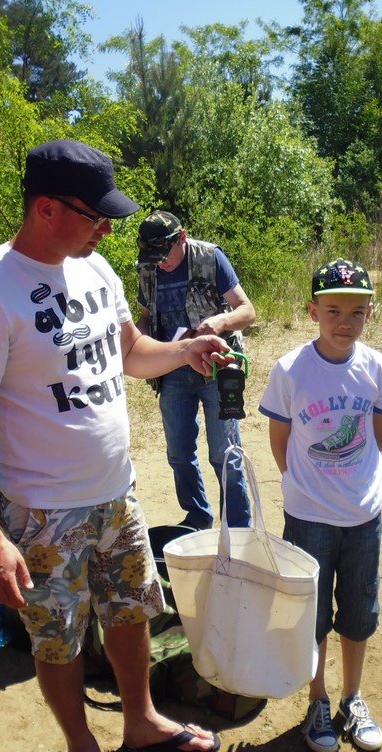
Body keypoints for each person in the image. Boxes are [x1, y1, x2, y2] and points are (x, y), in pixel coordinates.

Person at [0, 140, 224, 752]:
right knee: (58, 639)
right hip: (41, 511)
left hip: (116, 492)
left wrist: (184, 350)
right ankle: (80, 742)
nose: (107, 230)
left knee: (130, 611)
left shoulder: (95, 268)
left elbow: (130, 353)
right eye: (95, 216)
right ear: (46, 208)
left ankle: (141, 723)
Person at [258, 259, 382, 752]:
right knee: (313, 615)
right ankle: (317, 700)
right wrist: (305, 486)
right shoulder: (290, 370)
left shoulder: (378, 368)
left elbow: (377, 438)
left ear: (370, 314)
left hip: (363, 515)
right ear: (312, 311)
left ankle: (352, 697)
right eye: (334, 310)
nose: (345, 322)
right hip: (309, 516)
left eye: (357, 312)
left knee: (358, 611)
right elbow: (280, 440)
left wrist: (352, 483)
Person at [135, 211, 256, 529]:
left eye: (165, 255)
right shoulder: (148, 266)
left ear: (182, 238)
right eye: (154, 258)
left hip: (218, 367)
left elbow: (247, 310)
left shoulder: (210, 257)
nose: (161, 264)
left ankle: (238, 528)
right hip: (173, 368)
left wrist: (221, 320)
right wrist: (141, 338)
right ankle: (197, 517)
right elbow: (146, 316)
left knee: (224, 453)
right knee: (178, 452)